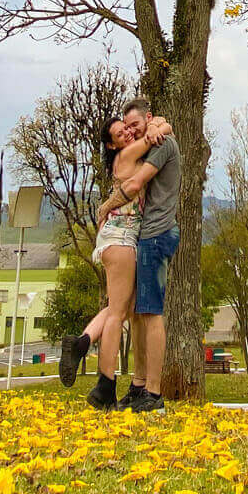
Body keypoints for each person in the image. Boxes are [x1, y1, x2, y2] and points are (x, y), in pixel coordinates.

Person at [57, 110, 171, 405]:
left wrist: (157, 123)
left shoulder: (122, 158)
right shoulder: (131, 153)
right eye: (121, 134)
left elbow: (153, 130)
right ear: (112, 145)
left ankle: (82, 343)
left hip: (116, 239)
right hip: (122, 239)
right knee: (120, 314)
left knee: (121, 307)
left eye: (128, 130)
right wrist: (159, 123)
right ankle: (105, 385)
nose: (128, 134)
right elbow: (154, 134)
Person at [92, 94, 181, 415]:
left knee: (151, 313)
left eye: (134, 125)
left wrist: (105, 206)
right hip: (143, 236)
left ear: (148, 118)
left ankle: (153, 393)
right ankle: (140, 385)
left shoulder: (162, 143)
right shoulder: (152, 139)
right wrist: (157, 125)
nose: (130, 131)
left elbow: (135, 184)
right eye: (124, 128)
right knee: (140, 314)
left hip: (156, 234)